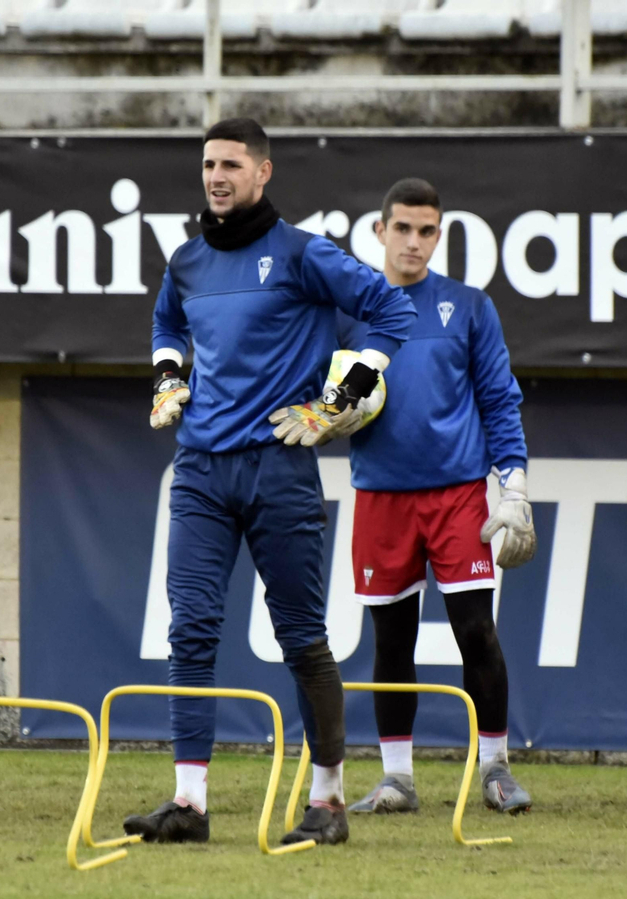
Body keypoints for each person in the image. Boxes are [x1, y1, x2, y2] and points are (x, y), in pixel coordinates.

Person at [131, 118, 417, 847]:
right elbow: (167, 326)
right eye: (208, 164)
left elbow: (392, 308)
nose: (216, 176)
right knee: (190, 629)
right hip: (199, 471)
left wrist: (346, 393)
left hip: (280, 467)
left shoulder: (301, 252)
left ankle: (329, 802)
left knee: (301, 637)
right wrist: (168, 376)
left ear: (263, 172)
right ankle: (189, 803)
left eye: (231, 164)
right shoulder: (187, 261)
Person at [337, 179, 538, 817]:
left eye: (427, 231)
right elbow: (320, 395)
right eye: (402, 228)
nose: (414, 242)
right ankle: (397, 780)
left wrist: (514, 484)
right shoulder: (348, 312)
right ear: (379, 231)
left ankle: (496, 769)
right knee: (391, 644)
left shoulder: (469, 307)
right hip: (381, 499)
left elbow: (499, 398)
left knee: (476, 633)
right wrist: (331, 412)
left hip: (457, 498)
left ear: (439, 235)